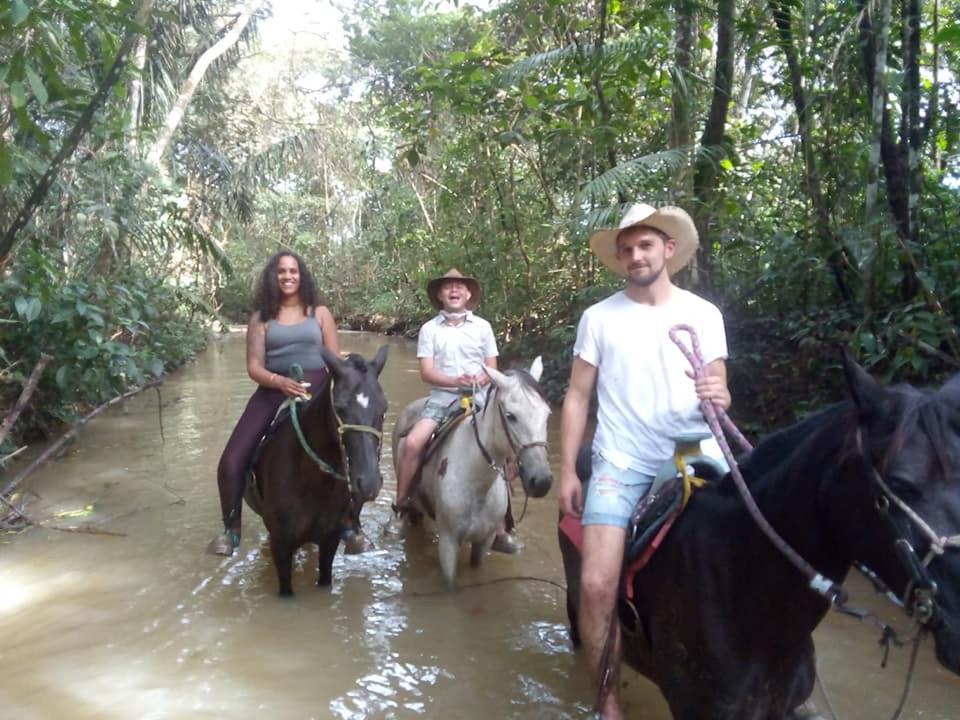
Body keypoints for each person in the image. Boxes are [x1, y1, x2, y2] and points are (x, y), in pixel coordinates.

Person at [558, 203, 731, 719]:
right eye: (628, 249)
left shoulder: (704, 315)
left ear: (668, 249)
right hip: (622, 460)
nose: (636, 255)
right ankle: (607, 701)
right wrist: (568, 468)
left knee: (758, 547)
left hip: (699, 451)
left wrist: (719, 395)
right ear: (620, 257)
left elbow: (720, 393)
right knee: (594, 583)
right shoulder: (599, 318)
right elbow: (576, 396)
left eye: (646, 245)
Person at [208, 250, 372, 557]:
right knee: (231, 460)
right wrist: (280, 383)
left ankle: (351, 524)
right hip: (273, 389)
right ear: (273, 277)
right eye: (281, 271)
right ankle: (231, 529)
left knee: (353, 447)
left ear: (302, 276)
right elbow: (254, 367)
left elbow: (335, 360)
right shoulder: (261, 318)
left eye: (293, 271)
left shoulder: (319, 313)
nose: (287, 276)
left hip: (320, 389)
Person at [385, 268, 521, 553]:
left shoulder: (482, 327)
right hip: (443, 397)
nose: (454, 290)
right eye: (448, 287)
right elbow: (427, 372)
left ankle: (502, 525)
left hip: (482, 398)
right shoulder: (429, 329)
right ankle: (401, 507)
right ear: (440, 295)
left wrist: (480, 380)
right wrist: (455, 382)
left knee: (509, 448)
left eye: (460, 286)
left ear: (469, 294)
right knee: (412, 443)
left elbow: (492, 367)